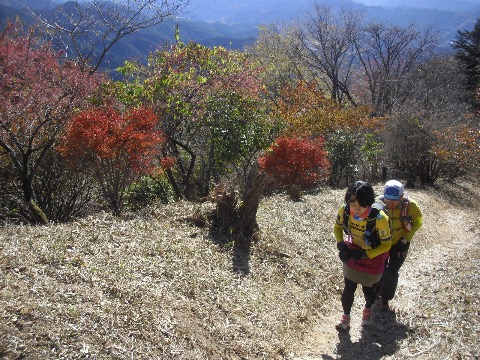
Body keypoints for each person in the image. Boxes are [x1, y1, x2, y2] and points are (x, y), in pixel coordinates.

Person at [333, 181, 391, 332]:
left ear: (369, 203)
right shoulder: (344, 211)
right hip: (353, 251)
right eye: (353, 206)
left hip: (374, 257)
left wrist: (366, 254)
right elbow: (338, 227)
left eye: (360, 207)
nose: (356, 210)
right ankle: (345, 318)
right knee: (349, 287)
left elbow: (386, 245)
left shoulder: (380, 219)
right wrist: (341, 244)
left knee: (368, 290)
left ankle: (368, 309)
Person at [376, 180, 423, 310]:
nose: (390, 203)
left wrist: (406, 239)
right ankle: (377, 293)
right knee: (380, 269)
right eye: (388, 199)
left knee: (392, 271)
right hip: (382, 243)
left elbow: (418, 223)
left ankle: (385, 299)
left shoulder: (411, 207)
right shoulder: (377, 203)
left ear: (401, 197)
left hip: (400, 243)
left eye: (394, 200)